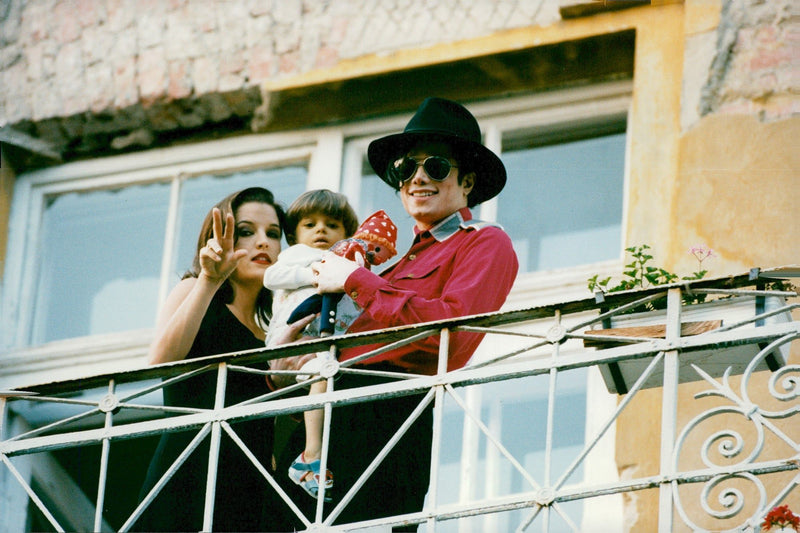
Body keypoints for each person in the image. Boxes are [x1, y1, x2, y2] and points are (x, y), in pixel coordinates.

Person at [272, 97, 519, 531]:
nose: (418, 177)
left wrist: (355, 279)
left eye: (436, 167)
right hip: (327, 420)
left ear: (468, 182)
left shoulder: (484, 242)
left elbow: (451, 338)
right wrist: (288, 359)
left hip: (386, 414)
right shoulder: (396, 266)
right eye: (407, 168)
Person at [136, 187, 292, 532]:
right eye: (247, 232)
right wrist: (209, 279)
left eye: (274, 234)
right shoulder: (195, 289)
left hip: (250, 484)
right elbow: (160, 360)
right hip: (191, 469)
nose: (263, 242)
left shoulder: (271, 332)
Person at [263, 190, 397, 501]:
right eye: (310, 224)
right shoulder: (297, 256)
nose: (320, 230)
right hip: (293, 343)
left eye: (332, 225)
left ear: (346, 234)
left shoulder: (346, 262)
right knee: (323, 378)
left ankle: (318, 457)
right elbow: (272, 276)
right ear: (295, 234)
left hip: (323, 345)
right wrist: (311, 273)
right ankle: (310, 456)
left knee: (328, 383)